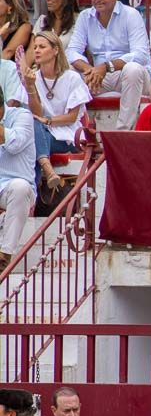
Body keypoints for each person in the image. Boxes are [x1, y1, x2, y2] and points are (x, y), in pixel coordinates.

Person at [65, 0, 151, 131]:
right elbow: (72, 51)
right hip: (98, 76)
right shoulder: (85, 16)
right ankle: (78, 131)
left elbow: (140, 55)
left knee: (132, 69)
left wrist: (106, 67)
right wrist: (90, 70)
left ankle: (123, 133)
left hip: (130, 75)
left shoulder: (131, 14)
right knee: (69, 73)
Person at [23, 30, 87, 191]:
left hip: (66, 134)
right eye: (35, 47)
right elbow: (36, 112)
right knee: (34, 129)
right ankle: (46, 169)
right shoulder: (33, 77)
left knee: (32, 139)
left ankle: (32, 198)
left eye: (42, 47)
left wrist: (49, 121)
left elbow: (72, 117)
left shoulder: (72, 77)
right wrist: (30, 86)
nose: (36, 50)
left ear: (56, 50)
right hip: (42, 133)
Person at [0, 99, 35, 274]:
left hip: (14, 189)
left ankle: (4, 254)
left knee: (20, 187)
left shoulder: (22, 116)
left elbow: (15, 145)